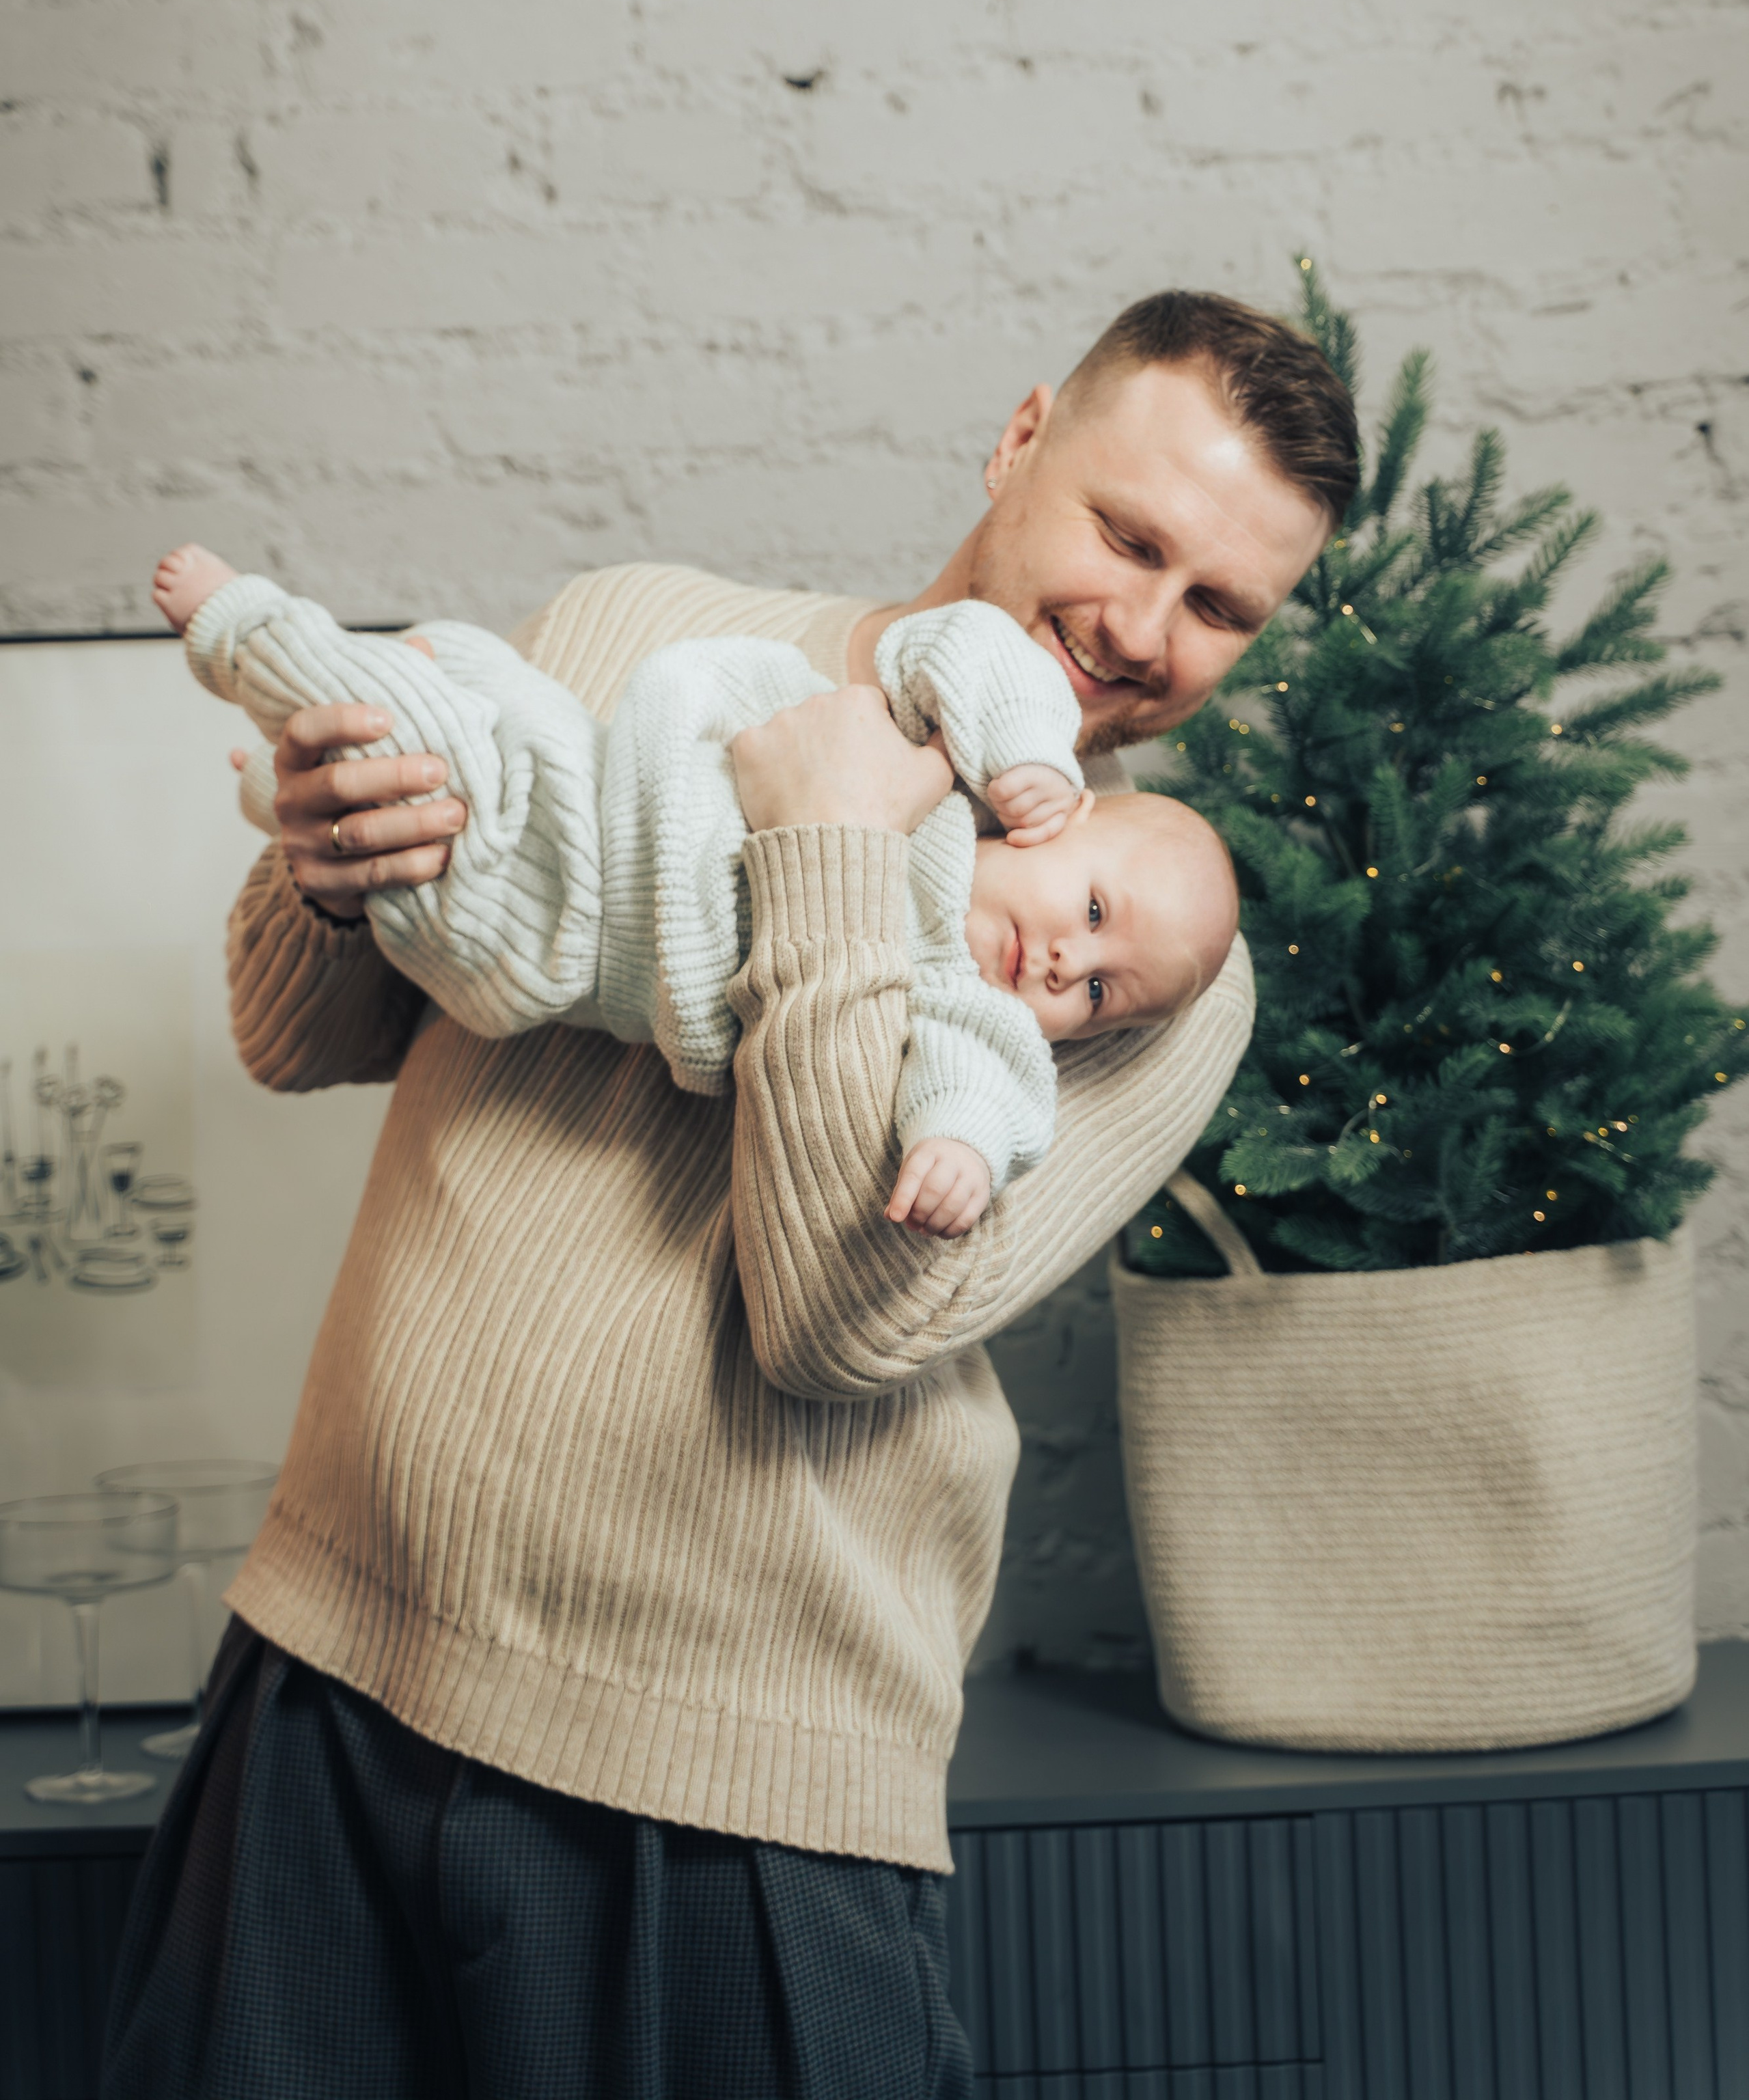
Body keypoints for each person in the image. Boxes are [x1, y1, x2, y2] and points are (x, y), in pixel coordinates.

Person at [103, 292, 1356, 2100]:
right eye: (1128, 535)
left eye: (1222, 605)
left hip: (728, 1785)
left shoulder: (1147, 959)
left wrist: (836, 842)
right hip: (328, 1674)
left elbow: (848, 1317)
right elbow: (300, 1037)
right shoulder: (645, 633)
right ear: (1021, 440)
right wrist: (322, 865)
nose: (1143, 628)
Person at [152, 549, 1239, 1236]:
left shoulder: (964, 996)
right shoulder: (963, 761)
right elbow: (968, 653)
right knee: (435, 705)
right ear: (1022, 437)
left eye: (1097, 995)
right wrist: (322, 869)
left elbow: (990, 1088)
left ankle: (245, 632)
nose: (1065, 966)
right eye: (1091, 920)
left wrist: (957, 1147)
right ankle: (268, 669)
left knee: (441, 794)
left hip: (563, 929)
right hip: (582, 776)